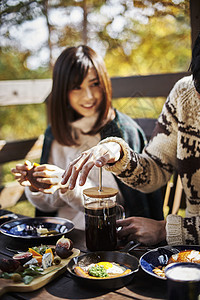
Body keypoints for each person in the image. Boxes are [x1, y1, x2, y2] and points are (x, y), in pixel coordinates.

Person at [61, 34, 200, 245]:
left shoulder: (123, 125)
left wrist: (166, 230)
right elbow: (155, 170)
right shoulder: (184, 93)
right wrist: (117, 153)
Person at [11, 45, 163, 230]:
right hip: (60, 236)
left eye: (94, 84)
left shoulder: (122, 132)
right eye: (77, 87)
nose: (89, 96)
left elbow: (119, 206)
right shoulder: (55, 132)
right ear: (62, 91)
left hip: (106, 236)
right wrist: (37, 184)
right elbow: (49, 207)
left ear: (105, 83)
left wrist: (66, 183)